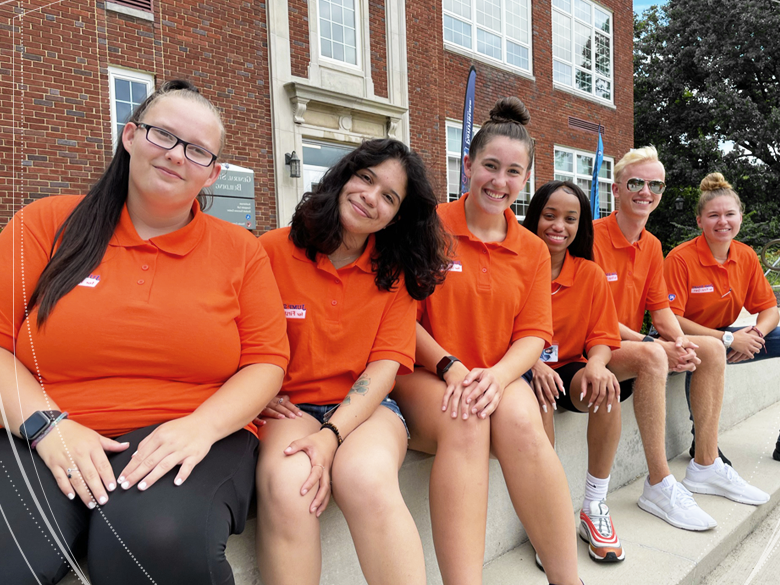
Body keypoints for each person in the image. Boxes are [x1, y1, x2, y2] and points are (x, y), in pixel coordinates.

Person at [0, 80, 289, 585]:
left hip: (191, 435)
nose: (178, 156)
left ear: (213, 172)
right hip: (45, 429)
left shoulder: (240, 250)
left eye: (197, 150)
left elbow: (266, 361)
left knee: (154, 538)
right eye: (163, 135)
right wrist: (48, 426)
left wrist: (200, 427)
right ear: (130, 136)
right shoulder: (44, 224)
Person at [392, 98, 583, 585]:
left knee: (524, 423)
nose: (500, 182)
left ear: (526, 179)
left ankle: (567, 578)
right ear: (468, 165)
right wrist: (451, 367)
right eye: (490, 167)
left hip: (496, 372)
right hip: (426, 371)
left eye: (513, 172)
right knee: (469, 418)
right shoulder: (426, 227)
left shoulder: (534, 250)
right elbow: (399, 319)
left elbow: (534, 333)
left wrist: (497, 377)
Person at [254, 138, 450, 585]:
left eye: (389, 197)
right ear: (344, 176)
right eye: (366, 179)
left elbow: (384, 366)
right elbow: (239, 340)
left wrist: (332, 435)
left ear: (397, 216)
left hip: (366, 411)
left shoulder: (395, 272)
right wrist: (253, 394)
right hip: (290, 407)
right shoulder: (270, 250)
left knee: (365, 477)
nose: (370, 198)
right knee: (289, 486)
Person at [592, 146, 769, 534]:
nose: (646, 191)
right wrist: (654, 343)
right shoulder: (591, 237)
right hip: (593, 344)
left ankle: (705, 465)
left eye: (655, 184)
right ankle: (657, 483)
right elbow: (595, 316)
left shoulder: (652, 245)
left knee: (707, 347)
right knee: (654, 357)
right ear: (617, 187)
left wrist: (679, 340)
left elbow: (662, 313)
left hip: (628, 342)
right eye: (636, 182)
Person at [523, 181, 624, 564]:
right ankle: (547, 512)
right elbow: (498, 333)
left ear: (581, 227)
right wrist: (533, 363)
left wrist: (598, 365)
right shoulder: (514, 265)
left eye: (570, 218)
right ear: (534, 218)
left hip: (569, 365)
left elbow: (602, 336)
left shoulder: (590, 274)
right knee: (540, 395)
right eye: (549, 215)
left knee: (607, 388)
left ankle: (594, 504)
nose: (558, 226)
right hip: (526, 367)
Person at [664, 172, 780, 459]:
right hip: (684, 338)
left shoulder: (746, 256)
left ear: (740, 217)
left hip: (729, 335)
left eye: (730, 214)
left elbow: (770, 310)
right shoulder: (680, 258)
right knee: (708, 349)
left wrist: (754, 335)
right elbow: (671, 319)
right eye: (713, 215)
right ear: (699, 220)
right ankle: (702, 443)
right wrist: (728, 339)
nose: (723, 221)